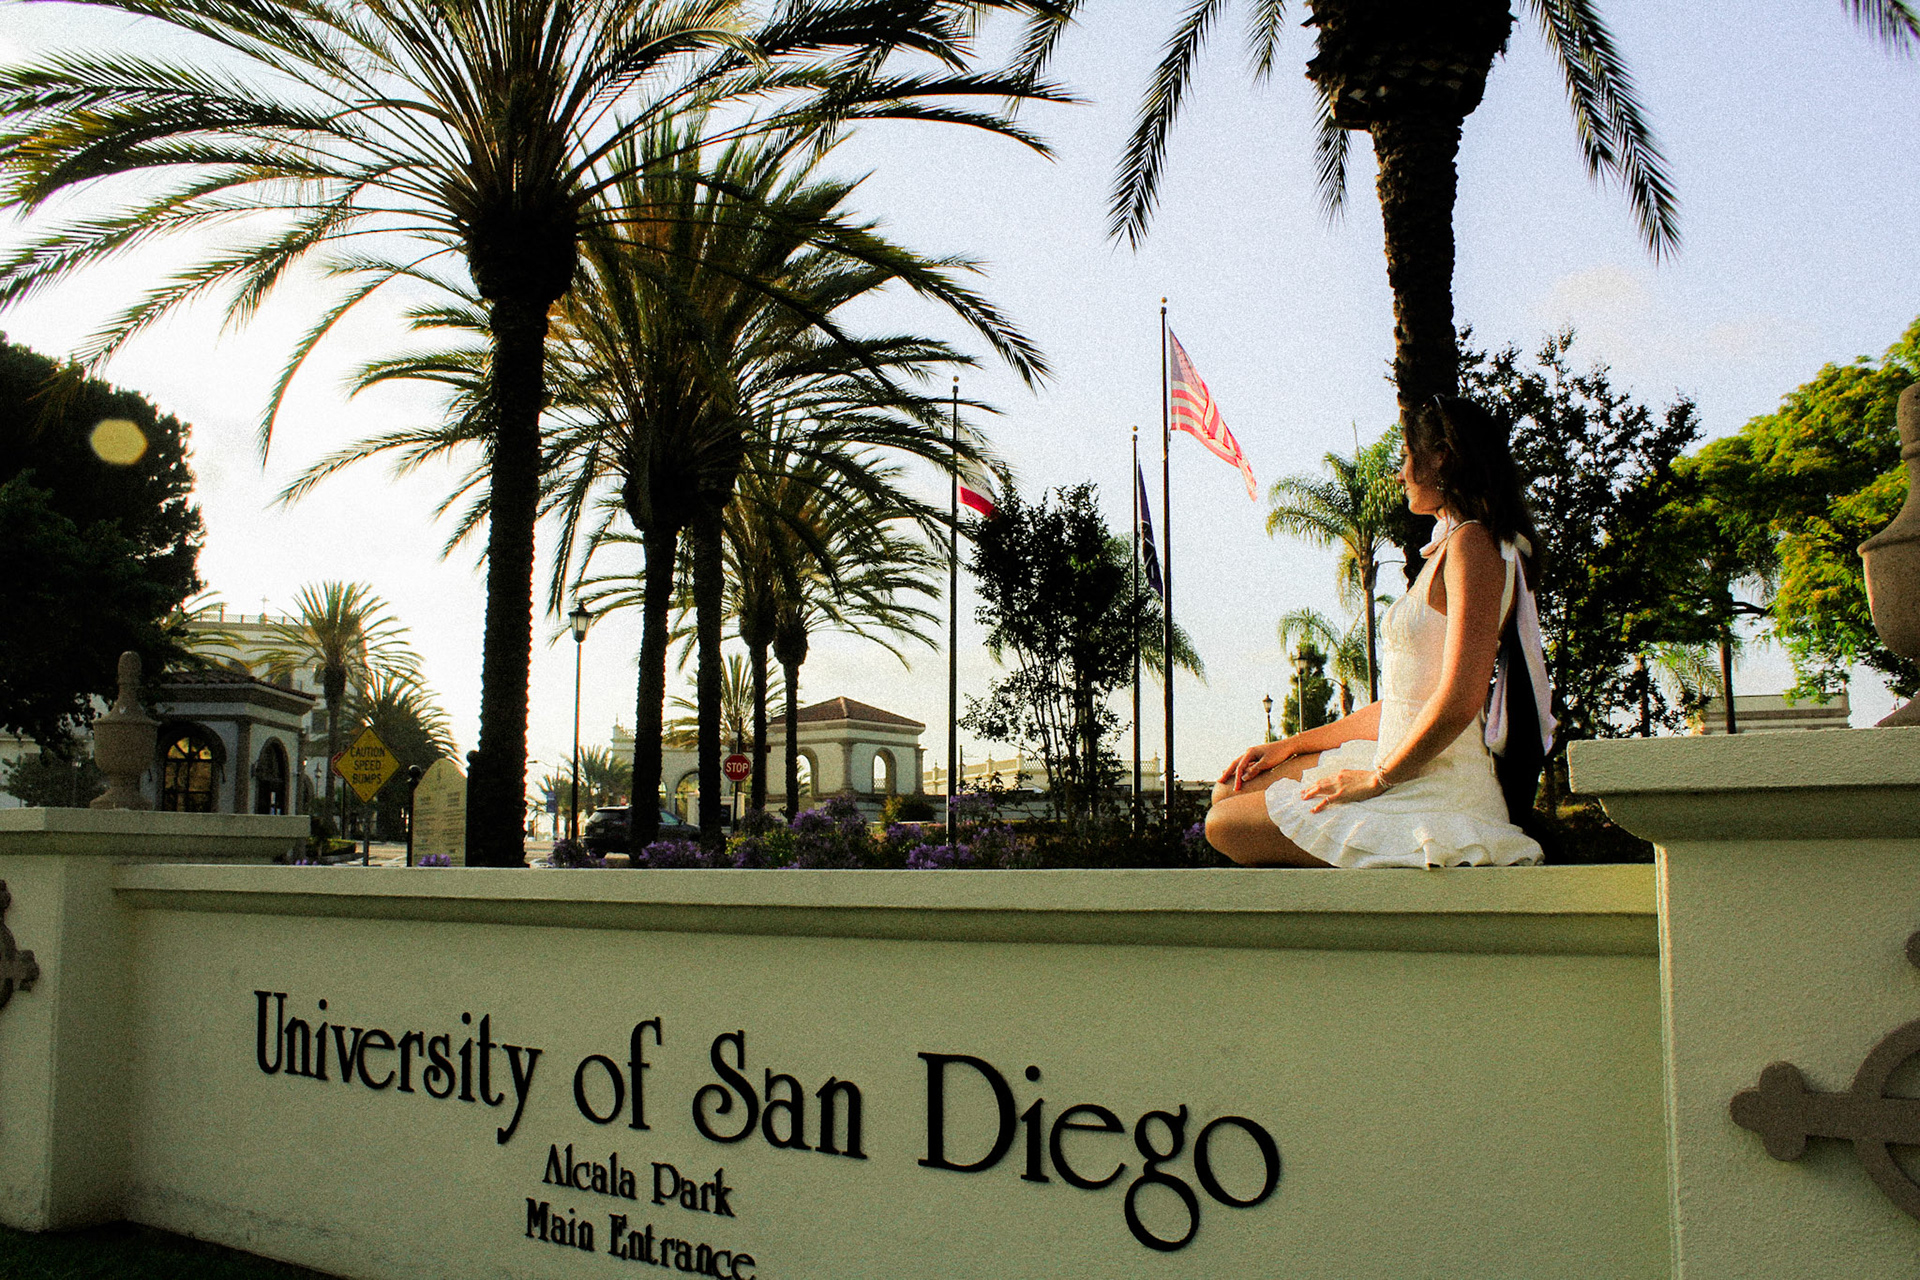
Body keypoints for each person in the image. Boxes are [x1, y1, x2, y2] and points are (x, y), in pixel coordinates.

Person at [1205, 395, 1554, 869]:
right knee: (1230, 789)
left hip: (1431, 781)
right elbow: (1404, 703)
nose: (1400, 473)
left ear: (1442, 457)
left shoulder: (1473, 544)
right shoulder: (1454, 545)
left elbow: (1461, 699)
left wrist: (1377, 779)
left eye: (1408, 457)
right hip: (1399, 757)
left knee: (1223, 822)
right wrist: (1290, 745)